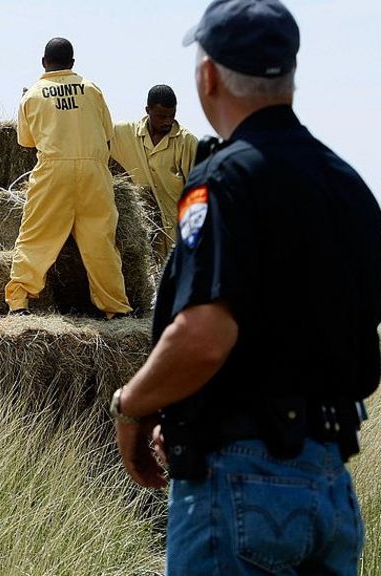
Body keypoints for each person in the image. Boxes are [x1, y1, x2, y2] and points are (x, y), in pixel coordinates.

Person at [111, 1, 380, 574]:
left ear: (207, 76)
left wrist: (134, 407)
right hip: (330, 483)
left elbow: (207, 335)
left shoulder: (226, 178)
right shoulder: (349, 185)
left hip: (237, 487)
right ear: (289, 75)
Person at [5, 38, 131, 318]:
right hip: (94, 171)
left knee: (36, 235)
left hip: (53, 170)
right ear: (72, 63)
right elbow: (107, 132)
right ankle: (116, 306)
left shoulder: (33, 95)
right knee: (100, 240)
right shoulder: (91, 89)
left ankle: (19, 301)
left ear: (43, 62)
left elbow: (27, 142)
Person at [110, 85, 198, 258]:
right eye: (161, 116)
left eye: (171, 116)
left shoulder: (186, 142)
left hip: (177, 232)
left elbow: (198, 190)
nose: (167, 122)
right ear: (147, 110)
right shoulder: (124, 133)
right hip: (144, 232)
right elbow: (98, 140)